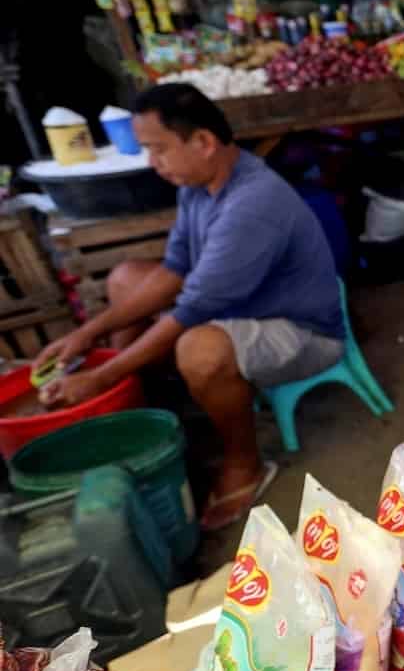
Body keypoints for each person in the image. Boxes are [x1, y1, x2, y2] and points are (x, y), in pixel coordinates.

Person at [36, 83, 343, 529]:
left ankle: (245, 463)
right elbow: (175, 270)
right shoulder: (197, 184)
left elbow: (191, 309)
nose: (151, 163)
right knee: (126, 279)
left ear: (202, 141)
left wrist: (101, 373)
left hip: (303, 330)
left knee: (198, 349)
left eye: (158, 150)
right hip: (238, 306)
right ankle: (138, 402)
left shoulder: (251, 203)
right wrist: (85, 334)